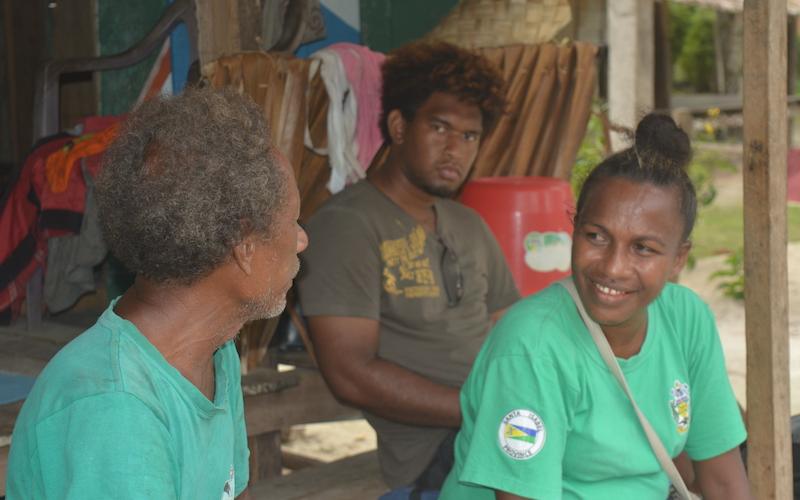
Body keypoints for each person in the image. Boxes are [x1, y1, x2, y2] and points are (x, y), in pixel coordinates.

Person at [6, 87, 308, 499]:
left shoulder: (215, 353)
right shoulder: (117, 407)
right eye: (293, 220)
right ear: (244, 244)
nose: (302, 240)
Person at [440, 113, 752, 499]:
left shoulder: (687, 319)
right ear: (575, 229)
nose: (613, 267)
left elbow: (723, 480)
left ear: (678, 259)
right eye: (596, 236)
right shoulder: (531, 348)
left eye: (643, 248)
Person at [296, 41, 520, 493]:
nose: (455, 149)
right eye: (440, 128)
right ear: (399, 126)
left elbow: (513, 334)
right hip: (437, 454)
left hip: (495, 432)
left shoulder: (467, 223)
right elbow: (350, 374)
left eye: (470, 136)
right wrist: (478, 408)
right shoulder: (348, 226)